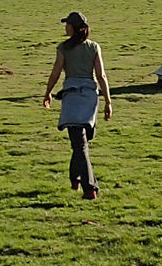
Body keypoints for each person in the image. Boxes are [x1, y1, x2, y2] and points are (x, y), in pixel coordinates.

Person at [41, 10, 111, 199]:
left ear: (74, 28)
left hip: (72, 97)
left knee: (80, 143)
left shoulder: (64, 48)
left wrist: (47, 92)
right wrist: (107, 101)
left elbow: (55, 73)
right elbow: (101, 76)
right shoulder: (94, 47)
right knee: (81, 143)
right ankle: (83, 183)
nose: (65, 27)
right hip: (89, 97)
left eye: (67, 25)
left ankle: (83, 183)